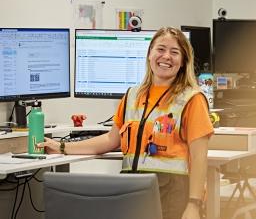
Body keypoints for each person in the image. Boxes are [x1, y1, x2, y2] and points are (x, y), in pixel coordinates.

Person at [38, 27, 214, 219]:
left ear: (183, 61)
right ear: (149, 54)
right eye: (161, 49)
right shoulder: (132, 95)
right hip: (131, 188)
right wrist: (62, 147)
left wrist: (194, 204)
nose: (166, 57)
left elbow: (199, 158)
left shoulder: (192, 99)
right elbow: (110, 140)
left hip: (172, 192)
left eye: (174, 52)